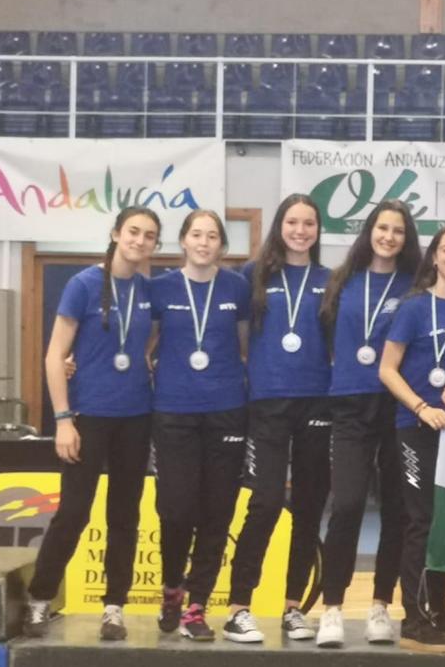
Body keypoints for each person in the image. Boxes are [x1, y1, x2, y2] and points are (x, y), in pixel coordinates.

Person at [23, 208, 161, 641]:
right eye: (133, 232)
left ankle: (114, 608)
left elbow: (149, 340)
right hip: (88, 417)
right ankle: (40, 600)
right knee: (73, 514)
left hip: (137, 418)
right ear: (117, 233)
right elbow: (53, 354)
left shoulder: (148, 290)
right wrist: (64, 419)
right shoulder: (82, 284)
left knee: (125, 515)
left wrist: (143, 361)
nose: (139, 241)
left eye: (149, 236)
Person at [223, 194, 331, 643]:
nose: (300, 230)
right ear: (279, 227)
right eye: (292, 222)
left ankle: (292, 608)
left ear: (318, 230)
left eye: (309, 223)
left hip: (317, 403)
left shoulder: (332, 280)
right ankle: (239, 607)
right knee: (265, 502)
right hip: (266, 402)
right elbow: (238, 334)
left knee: (308, 506)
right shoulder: (254, 275)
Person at [316, 200, 422, 648]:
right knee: (347, 505)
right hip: (350, 405)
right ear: (369, 231)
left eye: (398, 230)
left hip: (396, 406)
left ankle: (381, 604)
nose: (389, 237)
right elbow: (325, 334)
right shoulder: (341, 281)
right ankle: (333, 607)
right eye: (382, 228)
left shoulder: (416, 285)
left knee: (398, 507)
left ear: (406, 238)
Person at [379, 224, 445, 653]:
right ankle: (414, 620)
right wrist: (420, 407)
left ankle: (439, 609)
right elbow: (387, 369)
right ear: (435, 257)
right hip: (416, 427)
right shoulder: (413, 307)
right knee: (420, 521)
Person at [149, 210, 251, 641]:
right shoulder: (160, 289)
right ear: (183, 241)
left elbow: (245, 345)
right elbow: (143, 344)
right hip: (173, 411)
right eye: (197, 234)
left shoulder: (238, 287)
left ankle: (196, 606)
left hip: (226, 409)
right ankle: (173, 586)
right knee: (175, 509)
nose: (205, 242)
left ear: (222, 246)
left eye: (213, 236)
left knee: (216, 512)